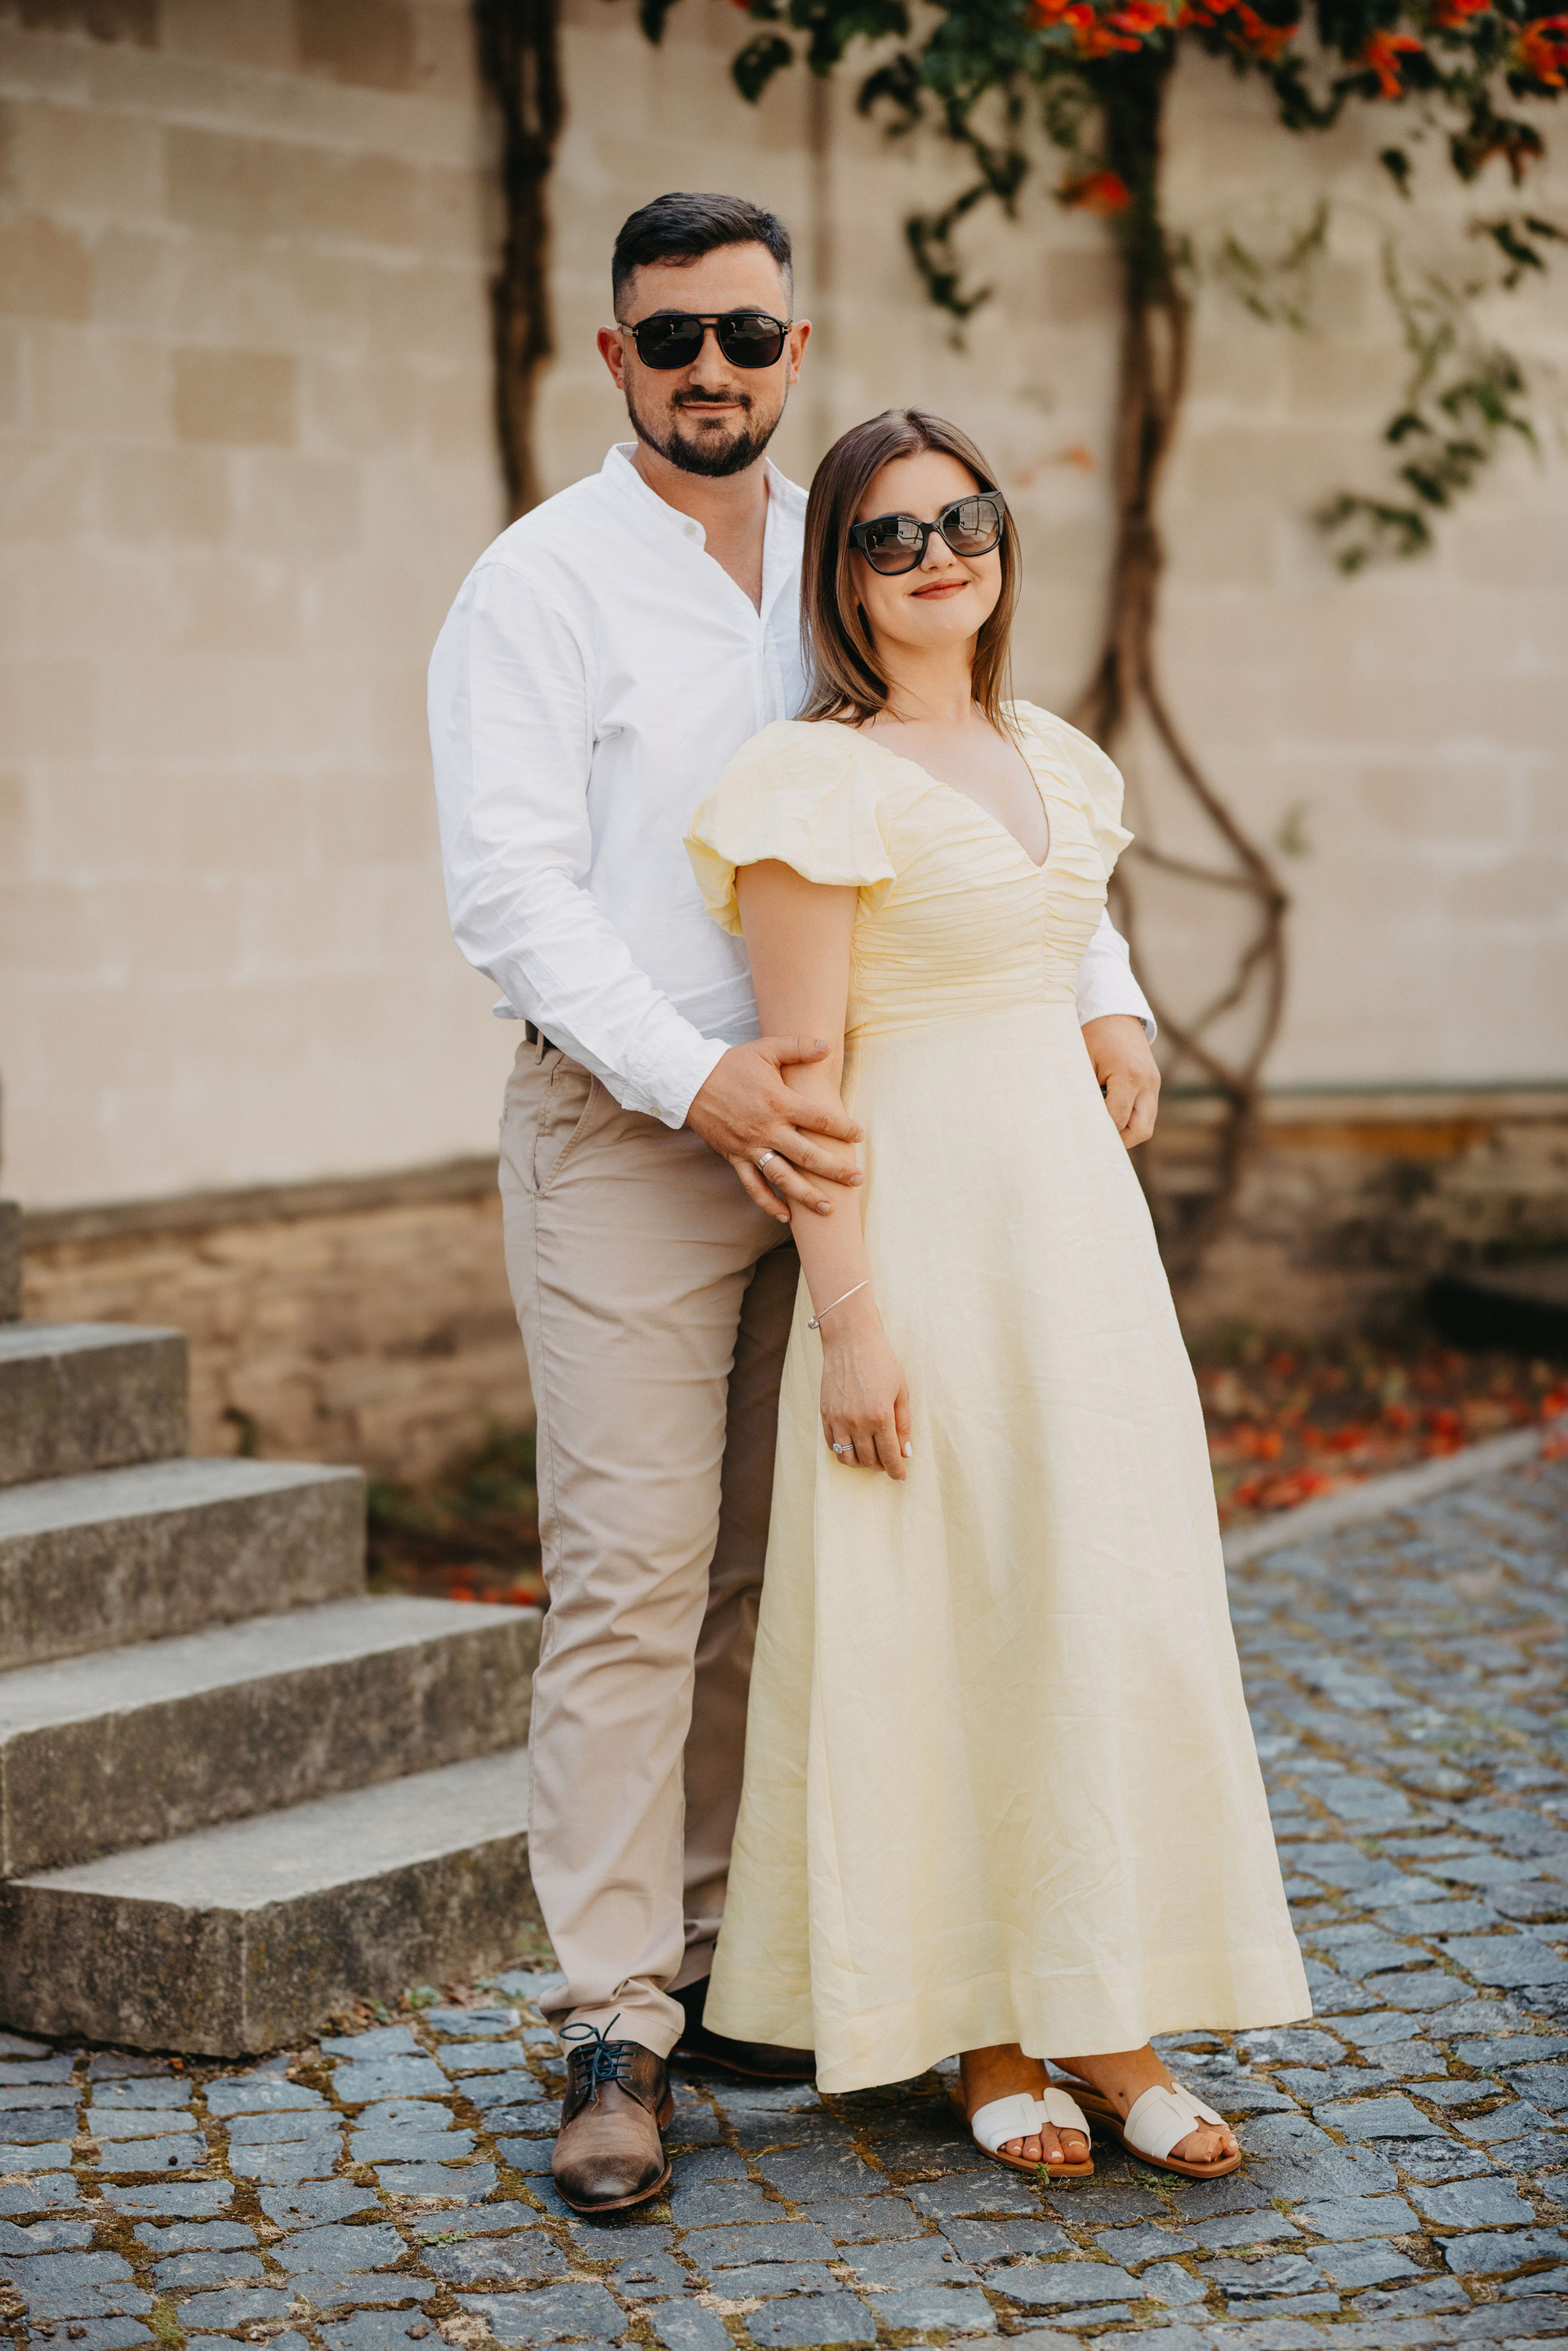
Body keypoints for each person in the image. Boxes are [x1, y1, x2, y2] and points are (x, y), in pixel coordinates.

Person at [429, 193, 1162, 2215]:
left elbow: (966, 787)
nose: (712, 369)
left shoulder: (849, 548)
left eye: (745, 335)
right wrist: (701, 1081)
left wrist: (1100, 987)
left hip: (871, 1139)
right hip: (642, 1132)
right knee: (638, 1578)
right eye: (672, 337)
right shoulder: (540, 583)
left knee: (816, 1570)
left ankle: (752, 1969)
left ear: (794, 346)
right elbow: (508, 889)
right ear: (614, 356)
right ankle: (615, 2024)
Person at [684, 407, 1310, 2184]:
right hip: (922, 1243)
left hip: (1079, 1253)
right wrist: (853, 1321)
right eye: (890, 535)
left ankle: (1109, 2013)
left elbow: (1068, 922)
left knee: (1095, 1604)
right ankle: (990, 2033)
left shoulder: (1055, 752)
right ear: (842, 574)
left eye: (963, 519)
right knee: (952, 1618)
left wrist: (1120, 1012)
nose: (937, 555)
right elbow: (805, 1078)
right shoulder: (816, 780)